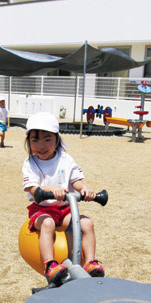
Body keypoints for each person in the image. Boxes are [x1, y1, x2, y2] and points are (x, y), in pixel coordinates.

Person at [22, 111, 104, 282]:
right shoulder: (30, 163)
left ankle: (90, 262)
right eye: (34, 140)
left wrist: (85, 189)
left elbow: (77, 180)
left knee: (86, 223)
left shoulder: (65, 159)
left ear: (57, 140)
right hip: (41, 209)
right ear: (28, 142)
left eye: (47, 139)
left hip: (65, 209)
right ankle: (50, 264)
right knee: (48, 223)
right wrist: (48, 189)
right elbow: (32, 188)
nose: (41, 145)